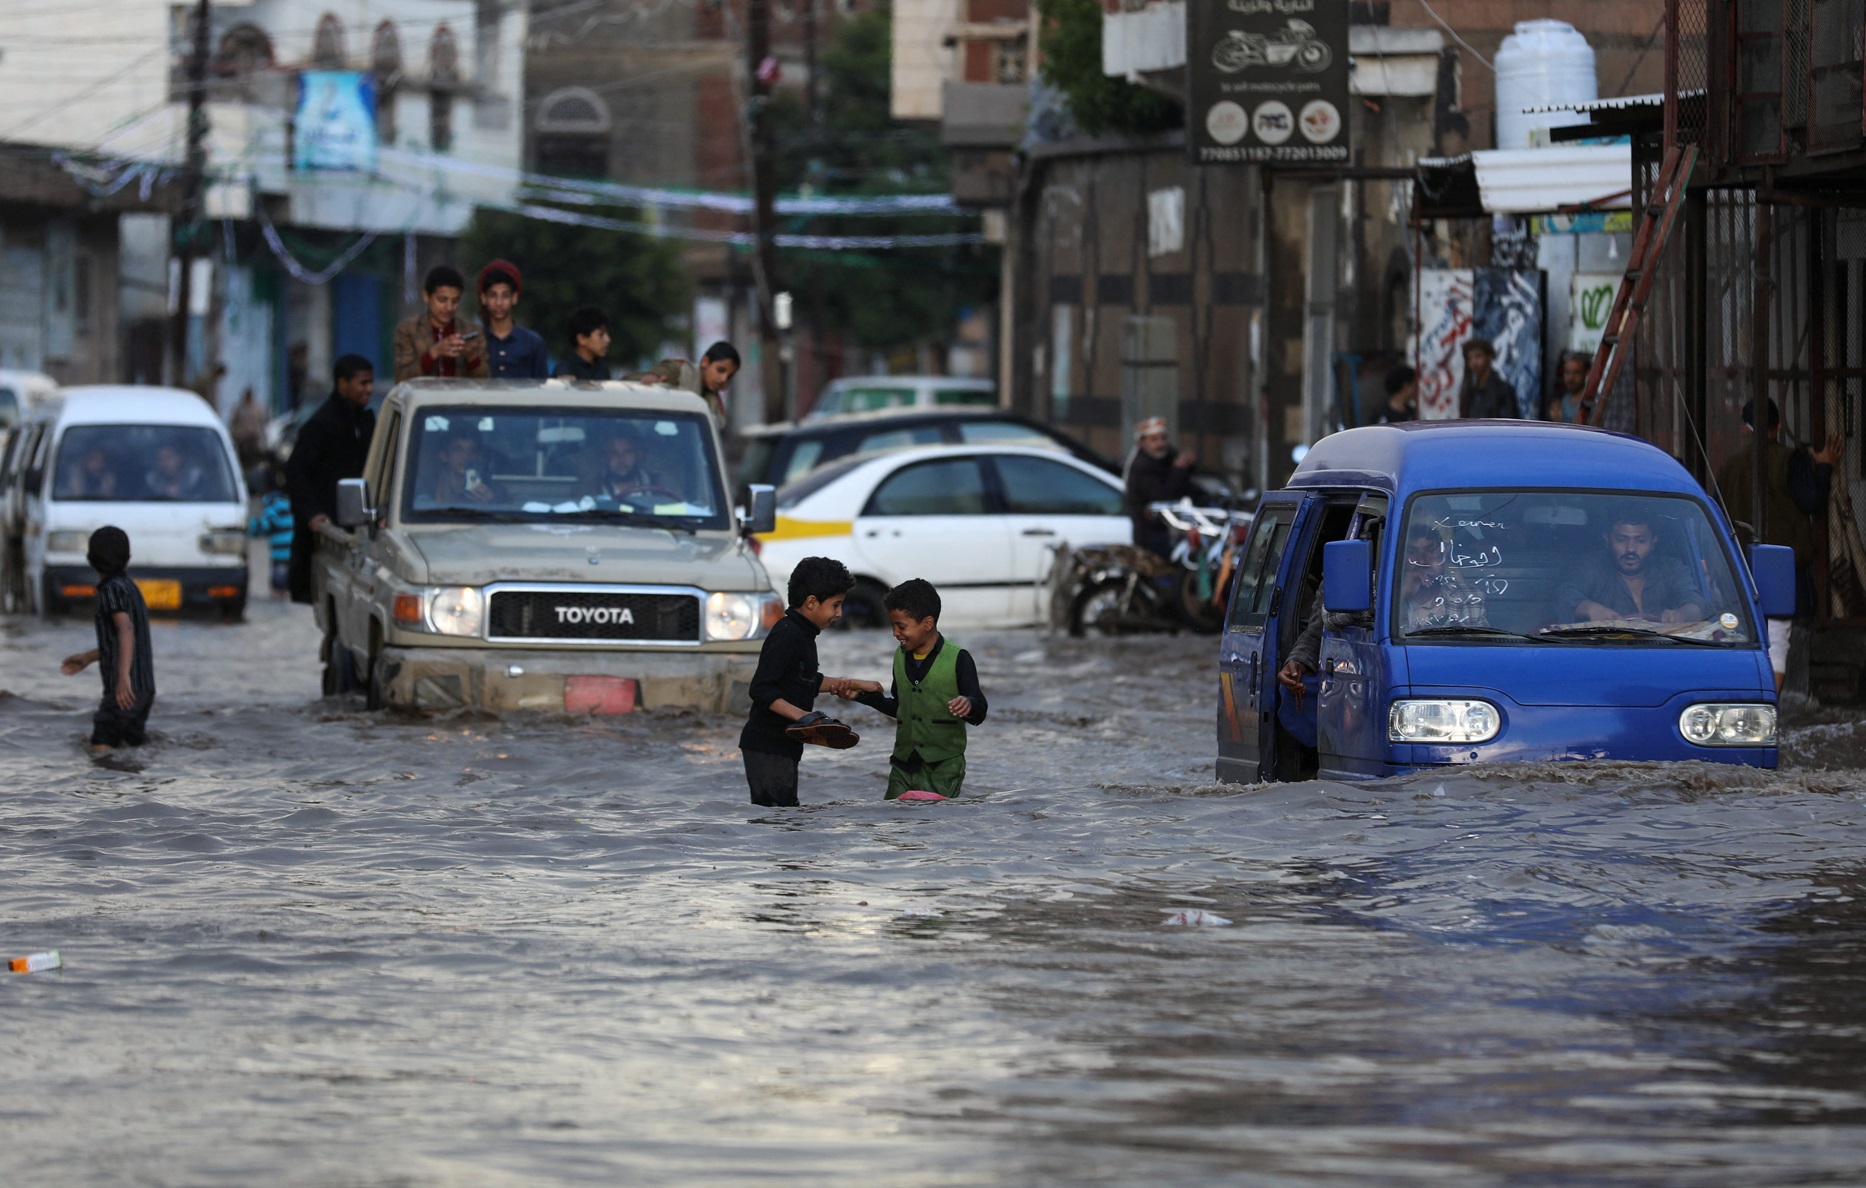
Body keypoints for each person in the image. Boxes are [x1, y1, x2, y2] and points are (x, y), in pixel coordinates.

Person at [1715, 396, 1842, 688]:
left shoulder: (1729, 467)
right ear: (1779, 425)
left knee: (1743, 634)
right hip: (1785, 565)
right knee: (1783, 636)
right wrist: (1824, 468)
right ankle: (1779, 702)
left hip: (1740, 566)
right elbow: (1811, 500)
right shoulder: (1791, 459)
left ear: (1745, 430)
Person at [840, 579, 988, 800]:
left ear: (927, 623)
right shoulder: (899, 656)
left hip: (943, 767)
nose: (895, 633)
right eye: (892, 625)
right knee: (894, 822)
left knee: (933, 825)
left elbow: (980, 710)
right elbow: (900, 707)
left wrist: (968, 704)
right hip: (902, 766)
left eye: (901, 626)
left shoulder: (959, 658)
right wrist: (862, 697)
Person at [738, 556, 865, 808]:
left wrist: (852, 684)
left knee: (784, 815)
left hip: (783, 746)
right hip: (767, 745)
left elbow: (803, 680)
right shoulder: (787, 635)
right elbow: (761, 688)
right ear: (811, 602)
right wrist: (805, 717)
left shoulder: (804, 634)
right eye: (836, 605)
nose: (839, 614)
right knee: (778, 817)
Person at [285, 354, 376, 603]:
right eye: (362, 383)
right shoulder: (322, 425)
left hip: (362, 528)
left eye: (370, 383)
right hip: (330, 534)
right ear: (342, 384)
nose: (369, 389)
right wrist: (312, 514)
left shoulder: (366, 422)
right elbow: (295, 472)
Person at [59, 526, 155, 754]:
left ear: (90, 560)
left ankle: (105, 789)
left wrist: (122, 678)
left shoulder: (110, 591)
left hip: (124, 690)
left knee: (101, 746)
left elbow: (125, 630)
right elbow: (123, 639)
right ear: (127, 560)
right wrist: (89, 658)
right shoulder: (130, 588)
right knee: (127, 749)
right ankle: (136, 787)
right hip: (143, 690)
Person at [1554, 515, 1708, 625]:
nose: (1631, 549)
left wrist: (1682, 614)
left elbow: (1696, 601)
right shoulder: (1591, 568)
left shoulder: (1670, 568)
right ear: (1607, 539)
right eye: (1621, 540)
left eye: (1640, 541)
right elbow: (1564, 595)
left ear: (1654, 541)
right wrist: (1588, 607)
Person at [393, 265, 489, 381]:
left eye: (455, 301)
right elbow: (401, 379)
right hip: (424, 399)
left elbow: (485, 382)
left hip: (461, 399)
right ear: (426, 296)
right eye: (442, 300)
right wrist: (434, 352)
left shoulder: (472, 331)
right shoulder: (408, 329)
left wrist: (472, 357)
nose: (449, 308)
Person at [1124, 416, 1198, 559]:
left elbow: (1186, 485)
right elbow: (1163, 497)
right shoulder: (1141, 466)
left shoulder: (1166, 455)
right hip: (1152, 535)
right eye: (1154, 440)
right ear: (1142, 443)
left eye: (1163, 438)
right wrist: (1179, 469)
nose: (1160, 443)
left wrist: (1188, 466)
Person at [638, 341, 741, 428]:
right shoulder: (682, 372)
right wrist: (654, 376)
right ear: (705, 362)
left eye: (729, 376)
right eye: (720, 370)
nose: (723, 379)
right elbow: (669, 368)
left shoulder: (714, 402)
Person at [476, 259, 550, 379]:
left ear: (514, 298)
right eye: (493, 296)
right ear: (484, 298)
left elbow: (541, 389)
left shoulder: (533, 343)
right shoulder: (475, 342)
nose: (499, 303)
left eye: (505, 296)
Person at [424, 428, 500, 506]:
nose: (465, 456)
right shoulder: (429, 486)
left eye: (471, 451)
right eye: (457, 450)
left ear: (478, 457)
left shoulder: (495, 489)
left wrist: (490, 503)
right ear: (444, 456)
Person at [249, 468, 293, 598]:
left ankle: (278, 592)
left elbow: (267, 525)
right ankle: (285, 591)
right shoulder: (284, 502)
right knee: (286, 575)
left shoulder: (272, 504)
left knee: (278, 576)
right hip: (290, 547)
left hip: (280, 550)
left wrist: (251, 527)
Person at [1458, 338, 1519, 419]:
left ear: (1489, 357)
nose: (1474, 362)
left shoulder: (1503, 390)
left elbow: (1508, 425)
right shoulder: (1470, 393)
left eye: (1478, 356)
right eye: (1470, 358)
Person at [591, 429, 659, 500]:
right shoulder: (592, 489)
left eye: (627, 452)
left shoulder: (655, 483)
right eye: (614, 453)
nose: (621, 459)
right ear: (604, 457)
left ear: (637, 454)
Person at [554, 306, 612, 381]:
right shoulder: (565, 370)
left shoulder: (602, 369)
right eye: (600, 335)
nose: (607, 340)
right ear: (582, 339)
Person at [1546, 351, 1590, 423]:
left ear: (1586, 373)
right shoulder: (1560, 401)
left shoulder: (1593, 403)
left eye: (1576, 373)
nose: (1571, 378)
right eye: (1567, 372)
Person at [229, 387, 267, 469]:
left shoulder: (257, 408)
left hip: (253, 439)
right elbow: (233, 423)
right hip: (241, 440)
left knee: (254, 462)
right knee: (242, 462)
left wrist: (263, 438)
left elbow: (262, 423)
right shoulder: (239, 408)